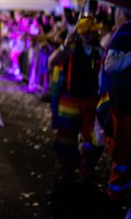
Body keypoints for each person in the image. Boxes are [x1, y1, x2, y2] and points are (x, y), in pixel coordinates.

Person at [48, 17, 103, 182]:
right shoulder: (71, 49)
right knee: (66, 137)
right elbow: (53, 61)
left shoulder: (99, 51)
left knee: (93, 138)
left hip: (91, 99)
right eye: (88, 32)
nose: (91, 35)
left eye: (93, 32)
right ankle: (68, 167)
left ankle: (87, 167)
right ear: (81, 34)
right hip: (70, 98)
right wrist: (65, 45)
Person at [103, 7, 131, 205]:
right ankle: (115, 194)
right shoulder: (124, 32)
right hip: (124, 104)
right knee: (122, 151)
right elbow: (110, 65)